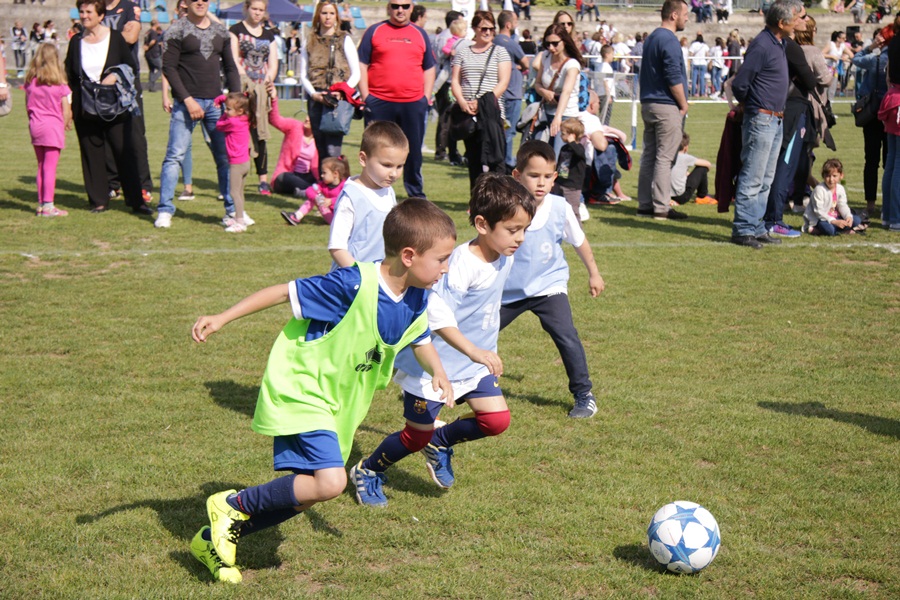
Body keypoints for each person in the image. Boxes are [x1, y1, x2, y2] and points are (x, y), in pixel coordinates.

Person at [188, 199, 456, 584]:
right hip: (304, 387)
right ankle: (232, 505)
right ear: (409, 256)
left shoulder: (416, 297)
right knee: (332, 481)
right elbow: (285, 292)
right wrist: (222, 317)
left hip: (342, 405)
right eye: (442, 259)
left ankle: (214, 539)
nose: (446, 268)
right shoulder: (352, 283)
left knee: (310, 492)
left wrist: (439, 371)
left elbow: (420, 339)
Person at [350, 173, 535, 507]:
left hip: (471, 363)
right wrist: (474, 350)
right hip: (433, 368)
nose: (520, 238)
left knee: (495, 420)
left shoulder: (505, 254)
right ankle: (369, 469)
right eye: (512, 229)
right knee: (414, 436)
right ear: (482, 224)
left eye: (524, 229)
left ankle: (441, 441)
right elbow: (437, 315)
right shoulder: (460, 265)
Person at [505, 141, 605, 419]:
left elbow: (580, 242)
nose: (541, 183)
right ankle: (434, 382)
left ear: (554, 178)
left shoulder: (560, 208)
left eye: (547, 177)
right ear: (517, 176)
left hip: (549, 287)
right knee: (473, 331)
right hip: (508, 291)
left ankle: (584, 395)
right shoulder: (505, 206)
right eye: (534, 176)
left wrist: (594, 273)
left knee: (567, 337)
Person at [154, 0, 241, 229]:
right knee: (175, 156)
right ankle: (165, 210)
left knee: (225, 159)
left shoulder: (221, 31)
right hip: (186, 104)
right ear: (186, 3)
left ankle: (233, 211)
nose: (200, 2)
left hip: (216, 105)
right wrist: (187, 99)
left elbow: (231, 67)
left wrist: (236, 98)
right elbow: (169, 68)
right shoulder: (176, 30)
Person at [729, 0, 802, 249]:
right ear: (781, 23)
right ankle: (743, 229)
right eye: (794, 19)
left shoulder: (778, 43)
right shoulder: (762, 45)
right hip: (762, 118)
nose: (797, 23)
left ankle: (757, 227)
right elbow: (740, 83)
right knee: (753, 176)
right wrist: (752, 106)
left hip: (775, 118)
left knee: (765, 178)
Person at [65, 0, 148, 215]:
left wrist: (114, 75)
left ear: (101, 15)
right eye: (81, 12)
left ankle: (136, 200)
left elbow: (129, 66)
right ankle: (99, 200)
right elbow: (70, 73)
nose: (84, 16)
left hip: (114, 106)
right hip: (85, 106)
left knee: (125, 153)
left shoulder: (115, 38)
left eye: (89, 12)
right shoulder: (75, 42)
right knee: (91, 153)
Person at [358, 0, 435, 199]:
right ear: (388, 7)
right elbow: (361, 64)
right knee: (376, 149)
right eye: (395, 5)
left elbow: (429, 67)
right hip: (379, 102)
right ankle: (373, 191)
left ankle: (416, 195)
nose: (400, 10)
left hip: (412, 102)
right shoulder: (374, 31)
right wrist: (367, 96)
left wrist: (424, 98)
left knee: (413, 152)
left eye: (404, 6)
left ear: (411, 8)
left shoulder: (420, 34)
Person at [636, 0, 690, 221]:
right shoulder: (668, 40)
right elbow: (672, 75)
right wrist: (683, 103)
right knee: (664, 158)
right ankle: (661, 207)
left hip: (649, 103)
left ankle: (645, 204)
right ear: (674, 15)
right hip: (665, 104)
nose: (687, 18)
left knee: (649, 155)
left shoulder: (652, 38)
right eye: (685, 14)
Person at [329, 121, 409, 268]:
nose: (393, 173)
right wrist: (360, 277)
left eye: (399, 166)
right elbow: (337, 247)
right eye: (387, 165)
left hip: (380, 279)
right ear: (363, 159)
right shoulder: (351, 197)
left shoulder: (388, 190)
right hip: (352, 283)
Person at [452, 11, 511, 189]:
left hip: (491, 110)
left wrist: (482, 102)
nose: (488, 32)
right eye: (484, 28)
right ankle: (476, 198)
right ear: (475, 29)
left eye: (491, 29)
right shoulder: (463, 53)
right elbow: (455, 80)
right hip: (468, 112)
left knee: (495, 157)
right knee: (474, 158)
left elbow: (503, 81)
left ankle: (497, 196)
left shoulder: (500, 52)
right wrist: (462, 101)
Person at [102, 0, 153, 206]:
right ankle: (112, 184)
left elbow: (131, 37)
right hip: (100, 79)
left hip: (127, 80)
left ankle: (143, 185)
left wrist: (101, 37)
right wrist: (116, 36)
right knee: (104, 133)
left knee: (134, 134)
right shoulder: (95, 7)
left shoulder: (130, 7)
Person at [299, 1, 359, 169]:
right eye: (324, 13)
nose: (328, 17)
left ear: (337, 16)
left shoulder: (344, 39)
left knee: (333, 148)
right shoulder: (309, 40)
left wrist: (342, 91)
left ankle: (336, 186)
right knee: (320, 147)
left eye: (331, 13)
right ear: (318, 15)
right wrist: (313, 94)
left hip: (336, 100)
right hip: (316, 98)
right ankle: (323, 186)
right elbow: (303, 74)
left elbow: (356, 73)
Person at [229, 0, 278, 196]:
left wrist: (267, 81)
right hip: (242, 89)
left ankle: (263, 180)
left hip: (261, 90)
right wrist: (245, 80)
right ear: (247, 8)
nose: (257, 13)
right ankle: (237, 178)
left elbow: (273, 63)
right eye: (254, 9)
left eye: (261, 10)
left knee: (261, 134)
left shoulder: (269, 35)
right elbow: (233, 58)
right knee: (239, 134)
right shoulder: (236, 30)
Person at [25, 43, 73, 217]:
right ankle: (49, 206)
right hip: (52, 127)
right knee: (50, 167)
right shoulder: (59, 84)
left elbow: (27, 105)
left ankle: (41, 203)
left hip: (35, 125)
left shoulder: (31, 82)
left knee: (40, 166)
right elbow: (66, 108)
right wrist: (66, 122)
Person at [853, 27, 892, 216]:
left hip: (872, 113)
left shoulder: (875, 59)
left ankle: (870, 203)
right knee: (890, 160)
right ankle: (889, 202)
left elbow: (856, 59)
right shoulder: (892, 59)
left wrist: (870, 47)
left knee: (871, 160)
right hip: (891, 113)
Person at [534, 23, 585, 154]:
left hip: (566, 116)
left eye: (555, 43)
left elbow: (566, 92)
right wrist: (544, 92)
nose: (551, 48)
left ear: (564, 41)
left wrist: (558, 117)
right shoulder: (545, 56)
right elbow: (537, 83)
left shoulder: (572, 65)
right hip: (546, 114)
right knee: (542, 157)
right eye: (548, 44)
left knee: (557, 158)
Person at [265, 84, 319, 197]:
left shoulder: (320, 138)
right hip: (288, 175)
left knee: (320, 180)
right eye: (307, 116)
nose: (307, 118)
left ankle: (305, 191)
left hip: (308, 176)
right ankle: (312, 192)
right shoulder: (294, 127)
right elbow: (275, 120)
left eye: (311, 117)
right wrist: (274, 98)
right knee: (287, 178)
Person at [214, 92, 255, 233]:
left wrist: (223, 112)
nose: (225, 111)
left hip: (236, 164)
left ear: (240, 111)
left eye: (228, 109)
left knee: (233, 192)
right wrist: (224, 101)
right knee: (240, 192)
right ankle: (240, 216)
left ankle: (240, 222)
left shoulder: (232, 121)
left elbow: (218, 125)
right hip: (245, 162)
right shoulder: (245, 118)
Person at [495, 10, 530, 172]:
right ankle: (507, 162)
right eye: (515, 21)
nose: (517, 24)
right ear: (508, 25)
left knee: (500, 129)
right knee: (509, 131)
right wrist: (517, 66)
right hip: (512, 92)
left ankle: (500, 160)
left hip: (499, 92)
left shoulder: (494, 41)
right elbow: (526, 63)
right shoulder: (509, 43)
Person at [432, 10, 464, 164]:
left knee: (445, 117)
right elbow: (446, 55)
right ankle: (443, 149)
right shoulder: (450, 39)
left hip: (443, 79)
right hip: (448, 82)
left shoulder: (439, 37)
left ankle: (444, 148)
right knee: (447, 118)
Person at [281, 155, 350, 225]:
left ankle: (296, 216)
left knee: (320, 202)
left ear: (335, 174)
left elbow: (346, 199)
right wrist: (316, 198)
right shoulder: (323, 185)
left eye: (324, 173)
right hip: (329, 215)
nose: (321, 175)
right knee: (313, 199)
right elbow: (309, 190)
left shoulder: (344, 186)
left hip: (340, 218)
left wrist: (331, 201)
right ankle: (297, 216)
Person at [803, 159, 867, 234]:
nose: (831, 179)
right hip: (821, 219)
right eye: (828, 176)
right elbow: (819, 212)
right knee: (829, 229)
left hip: (836, 217)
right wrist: (834, 221)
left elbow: (842, 205)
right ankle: (817, 229)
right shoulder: (819, 190)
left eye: (834, 176)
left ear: (841, 175)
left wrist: (848, 216)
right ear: (823, 176)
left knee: (856, 220)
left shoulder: (840, 189)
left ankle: (838, 230)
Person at [551, 118, 588, 214]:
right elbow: (560, 165)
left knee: (572, 211)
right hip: (560, 183)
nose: (560, 136)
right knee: (558, 209)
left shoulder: (579, 148)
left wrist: (572, 142)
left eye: (563, 134)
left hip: (572, 186)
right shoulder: (564, 148)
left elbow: (580, 154)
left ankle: (577, 228)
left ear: (572, 135)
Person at [671, 132, 715, 205]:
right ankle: (702, 197)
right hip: (681, 197)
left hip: (664, 195)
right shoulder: (685, 157)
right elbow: (708, 164)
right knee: (702, 168)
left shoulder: (666, 156)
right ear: (686, 147)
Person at [143, 20, 162, 92]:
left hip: (147, 54)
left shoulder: (148, 32)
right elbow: (153, 41)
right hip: (153, 54)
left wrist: (145, 46)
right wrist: (148, 46)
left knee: (152, 70)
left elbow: (145, 41)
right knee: (162, 68)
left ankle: (151, 87)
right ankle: (152, 81)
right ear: (156, 24)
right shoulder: (153, 32)